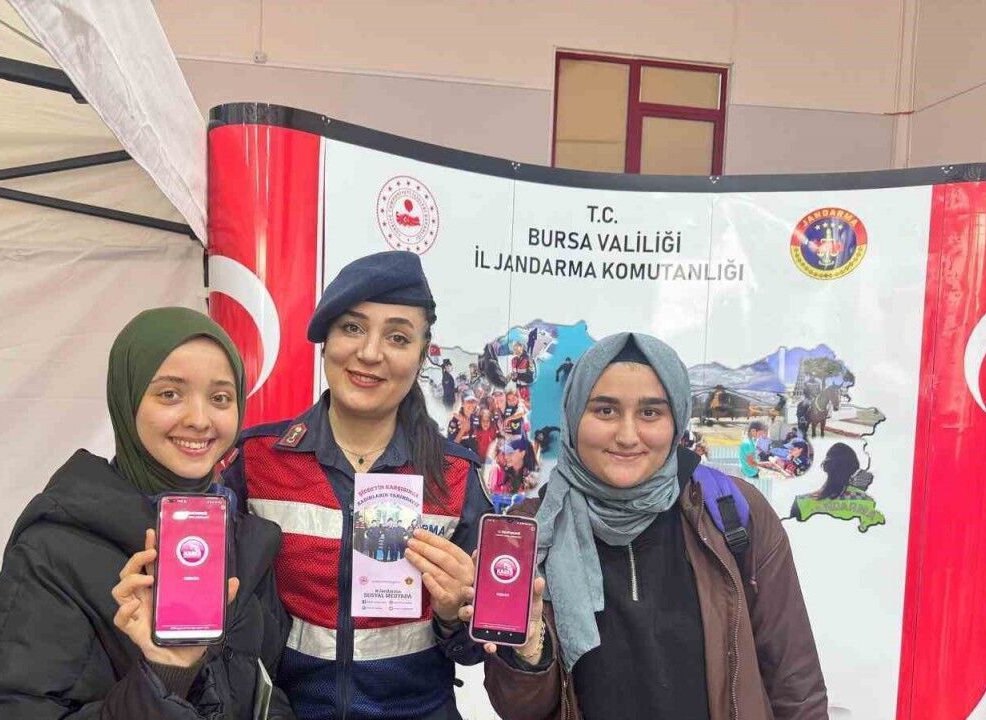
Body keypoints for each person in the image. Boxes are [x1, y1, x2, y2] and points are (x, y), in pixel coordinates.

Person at [469, 332, 827, 720]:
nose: (627, 436)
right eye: (605, 410)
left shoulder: (731, 512)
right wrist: (528, 652)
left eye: (651, 413)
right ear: (573, 417)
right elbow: (520, 709)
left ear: (676, 420)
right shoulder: (532, 532)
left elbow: (795, 685)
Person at [0, 308, 294, 720]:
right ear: (127, 400)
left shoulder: (248, 544)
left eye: (220, 398)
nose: (199, 420)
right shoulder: (56, 550)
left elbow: (266, 691)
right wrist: (165, 673)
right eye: (170, 394)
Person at [222, 251, 491, 720]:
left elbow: (474, 652)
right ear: (325, 340)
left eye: (398, 337)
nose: (370, 353)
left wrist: (454, 615)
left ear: (422, 354)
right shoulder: (258, 460)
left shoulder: (456, 476)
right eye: (352, 328)